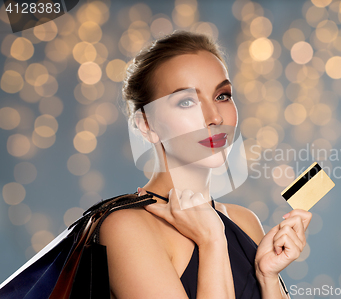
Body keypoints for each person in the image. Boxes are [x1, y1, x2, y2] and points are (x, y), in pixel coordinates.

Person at [100, 30, 312, 299]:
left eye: (222, 96)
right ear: (146, 125)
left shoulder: (244, 220)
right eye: (187, 101)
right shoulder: (126, 227)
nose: (214, 117)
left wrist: (268, 278)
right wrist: (212, 242)